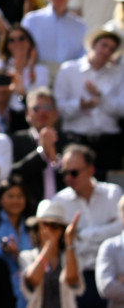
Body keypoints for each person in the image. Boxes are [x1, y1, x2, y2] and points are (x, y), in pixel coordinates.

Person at [52, 144, 122, 308]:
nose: (69, 177)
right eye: (64, 173)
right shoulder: (59, 201)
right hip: (79, 278)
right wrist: (107, 231)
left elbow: (121, 230)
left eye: (74, 173)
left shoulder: (114, 194)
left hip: (113, 276)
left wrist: (82, 235)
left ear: (90, 170)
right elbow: (64, 244)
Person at [53, 29, 124, 175]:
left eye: (111, 49)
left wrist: (101, 97)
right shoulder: (69, 70)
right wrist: (80, 105)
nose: (107, 51)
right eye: (104, 45)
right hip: (76, 139)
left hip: (108, 142)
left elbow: (121, 109)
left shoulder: (118, 74)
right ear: (93, 44)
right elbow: (58, 109)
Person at [20, 200, 83, 308]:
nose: (48, 230)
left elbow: (72, 280)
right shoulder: (26, 256)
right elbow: (33, 280)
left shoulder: (69, 255)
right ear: (37, 227)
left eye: (54, 226)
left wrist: (69, 242)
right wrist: (50, 245)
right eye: (45, 224)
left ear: (62, 229)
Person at [0, 177, 33, 308]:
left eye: (20, 196)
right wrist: (3, 251)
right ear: (0, 200)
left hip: (30, 291)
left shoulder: (32, 229)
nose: (15, 201)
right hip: (1, 290)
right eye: (10, 196)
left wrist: (19, 255)